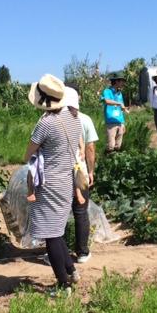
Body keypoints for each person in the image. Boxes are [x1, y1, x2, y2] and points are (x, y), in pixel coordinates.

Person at [25, 74, 82, 296]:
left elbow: (27, 153)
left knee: (51, 236)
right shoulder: (74, 117)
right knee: (56, 232)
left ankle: (63, 285)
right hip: (66, 180)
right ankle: (71, 270)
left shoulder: (46, 123)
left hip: (48, 183)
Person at [64, 85, 99, 263]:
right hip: (80, 171)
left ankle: (56, 252)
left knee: (59, 212)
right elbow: (90, 148)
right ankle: (82, 253)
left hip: (59, 173)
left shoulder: (53, 118)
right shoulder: (85, 119)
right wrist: (91, 170)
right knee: (80, 211)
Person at [101, 74, 129, 153]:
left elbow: (121, 106)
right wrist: (118, 103)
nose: (123, 83)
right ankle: (107, 161)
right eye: (121, 81)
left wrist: (123, 122)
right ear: (116, 81)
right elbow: (107, 101)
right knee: (111, 146)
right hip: (111, 122)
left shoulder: (120, 93)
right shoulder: (107, 91)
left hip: (120, 121)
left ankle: (116, 162)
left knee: (118, 145)